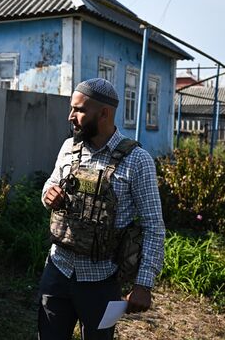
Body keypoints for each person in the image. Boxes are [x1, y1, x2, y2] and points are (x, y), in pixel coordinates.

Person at [38, 78, 165, 340]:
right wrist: (48, 194)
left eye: (79, 110)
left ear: (104, 113)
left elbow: (154, 225)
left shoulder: (136, 160)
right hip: (57, 270)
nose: (71, 116)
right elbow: (50, 184)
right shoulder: (68, 148)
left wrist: (144, 283)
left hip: (101, 280)